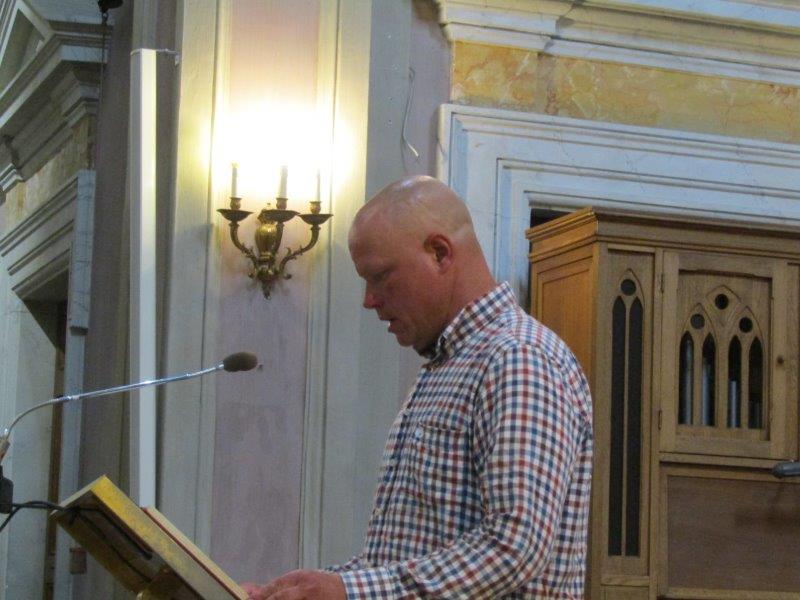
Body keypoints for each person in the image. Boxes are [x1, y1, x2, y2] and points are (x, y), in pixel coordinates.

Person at [242, 176, 593, 599]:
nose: (369, 300)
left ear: (439, 253)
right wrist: (294, 591)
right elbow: (399, 560)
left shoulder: (519, 358)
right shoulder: (450, 365)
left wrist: (350, 593)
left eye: (380, 276)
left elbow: (513, 548)